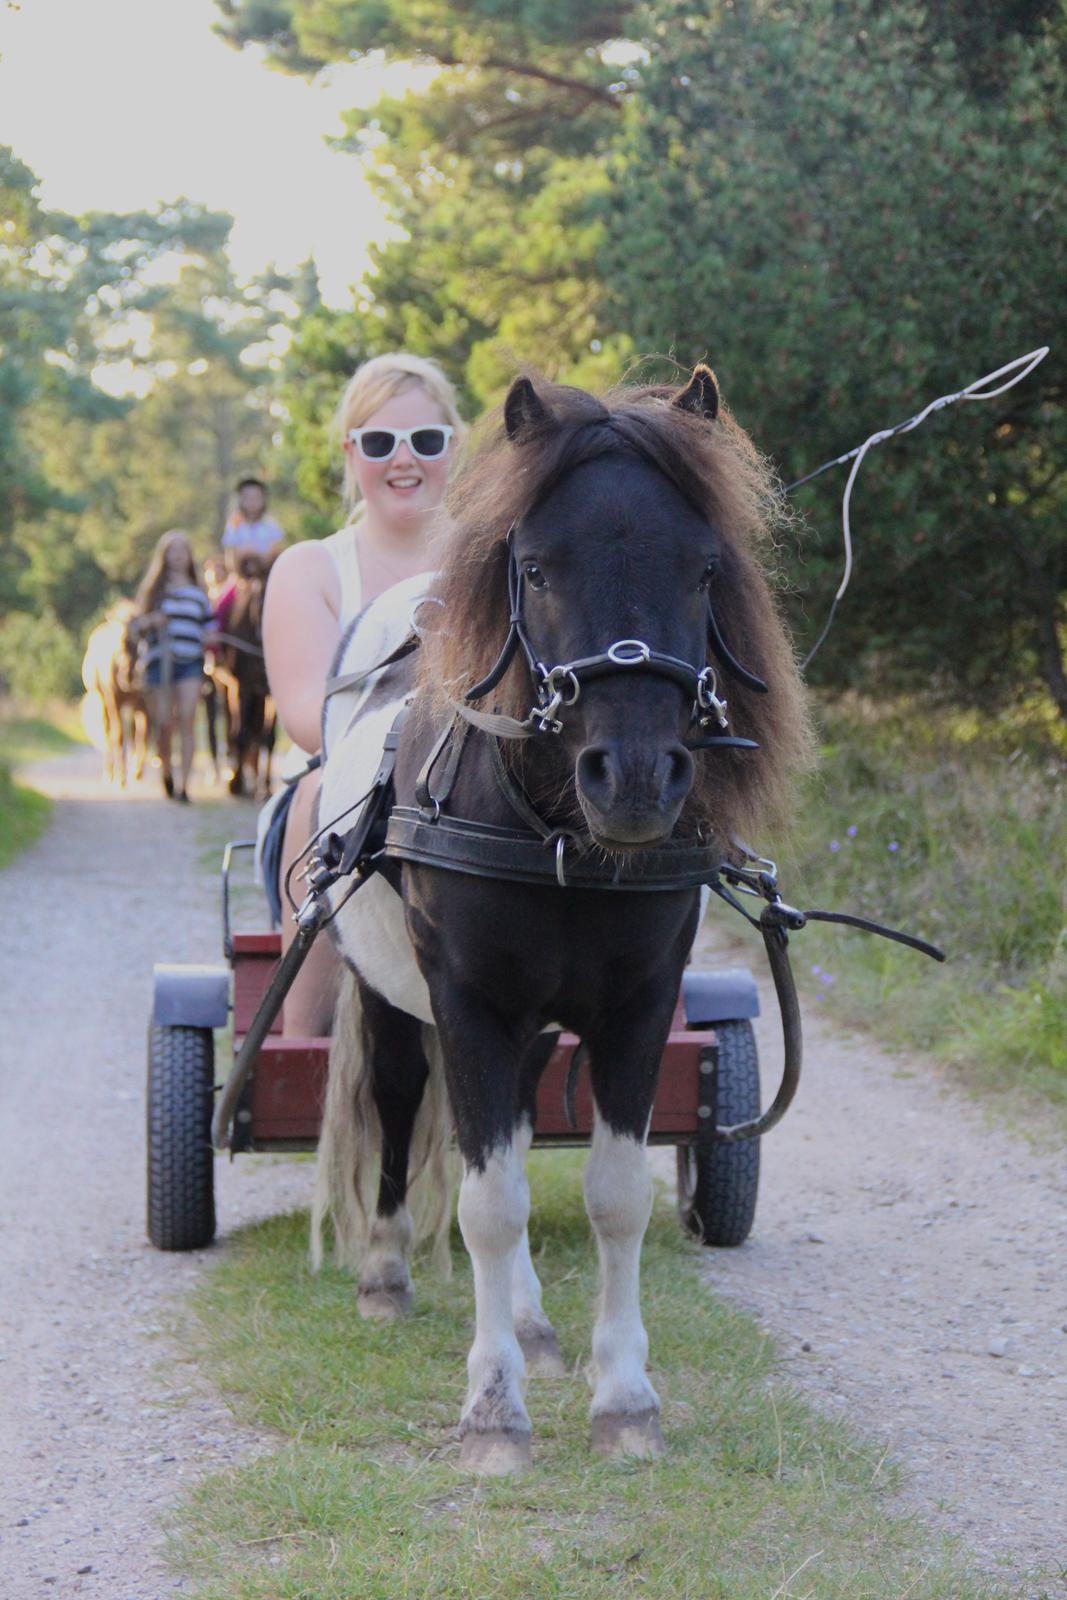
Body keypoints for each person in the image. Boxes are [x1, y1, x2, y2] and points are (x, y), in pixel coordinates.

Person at [262, 352, 465, 1036]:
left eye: (425, 441)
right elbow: (311, 722)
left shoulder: (498, 558)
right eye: (380, 443)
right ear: (352, 453)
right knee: (320, 797)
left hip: (478, 787)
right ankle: (304, 1029)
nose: (403, 460)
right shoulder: (311, 569)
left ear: (452, 448)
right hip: (352, 787)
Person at [133, 530, 215, 802]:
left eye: (183, 550)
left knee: (187, 718)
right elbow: (135, 628)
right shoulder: (153, 592)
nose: (178, 556)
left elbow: (210, 626)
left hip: (190, 663)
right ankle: (166, 769)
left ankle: (184, 785)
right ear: (164, 556)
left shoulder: (198, 594)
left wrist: (211, 637)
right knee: (164, 722)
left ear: (189, 556)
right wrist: (151, 621)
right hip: (159, 663)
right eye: (173, 550)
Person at [221, 477, 284, 572]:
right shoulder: (234, 523)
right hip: (241, 575)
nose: (252, 502)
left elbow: (277, 550)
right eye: (247, 497)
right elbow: (231, 554)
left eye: (256, 497)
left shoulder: (270, 523)